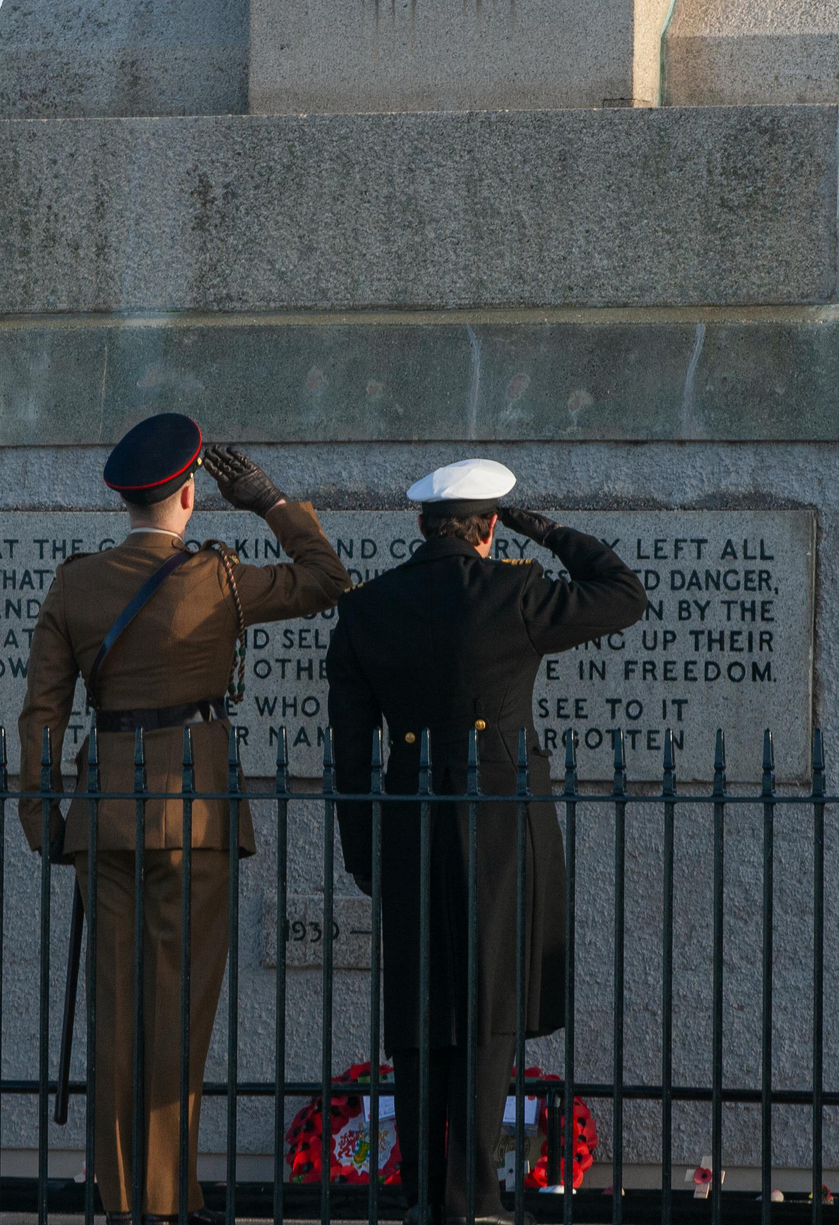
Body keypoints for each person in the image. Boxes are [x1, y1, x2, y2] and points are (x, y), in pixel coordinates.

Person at [16, 413, 349, 1225]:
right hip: (193, 816)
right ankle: (168, 1202)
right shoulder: (218, 579)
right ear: (191, 496)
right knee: (181, 1011)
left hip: (104, 818)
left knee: (118, 1014)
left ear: (128, 503)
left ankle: (134, 1199)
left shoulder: (74, 582)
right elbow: (327, 577)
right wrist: (267, 499)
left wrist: (44, 817)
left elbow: (41, 716)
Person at [328, 459, 645, 1225]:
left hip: (407, 816)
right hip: (501, 818)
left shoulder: (367, 607)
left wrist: (364, 851)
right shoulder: (516, 591)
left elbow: (348, 748)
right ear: (491, 527)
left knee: (418, 1010)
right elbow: (625, 594)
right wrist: (553, 531)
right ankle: (474, 1195)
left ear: (420, 527)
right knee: (487, 1003)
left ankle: (423, 1195)